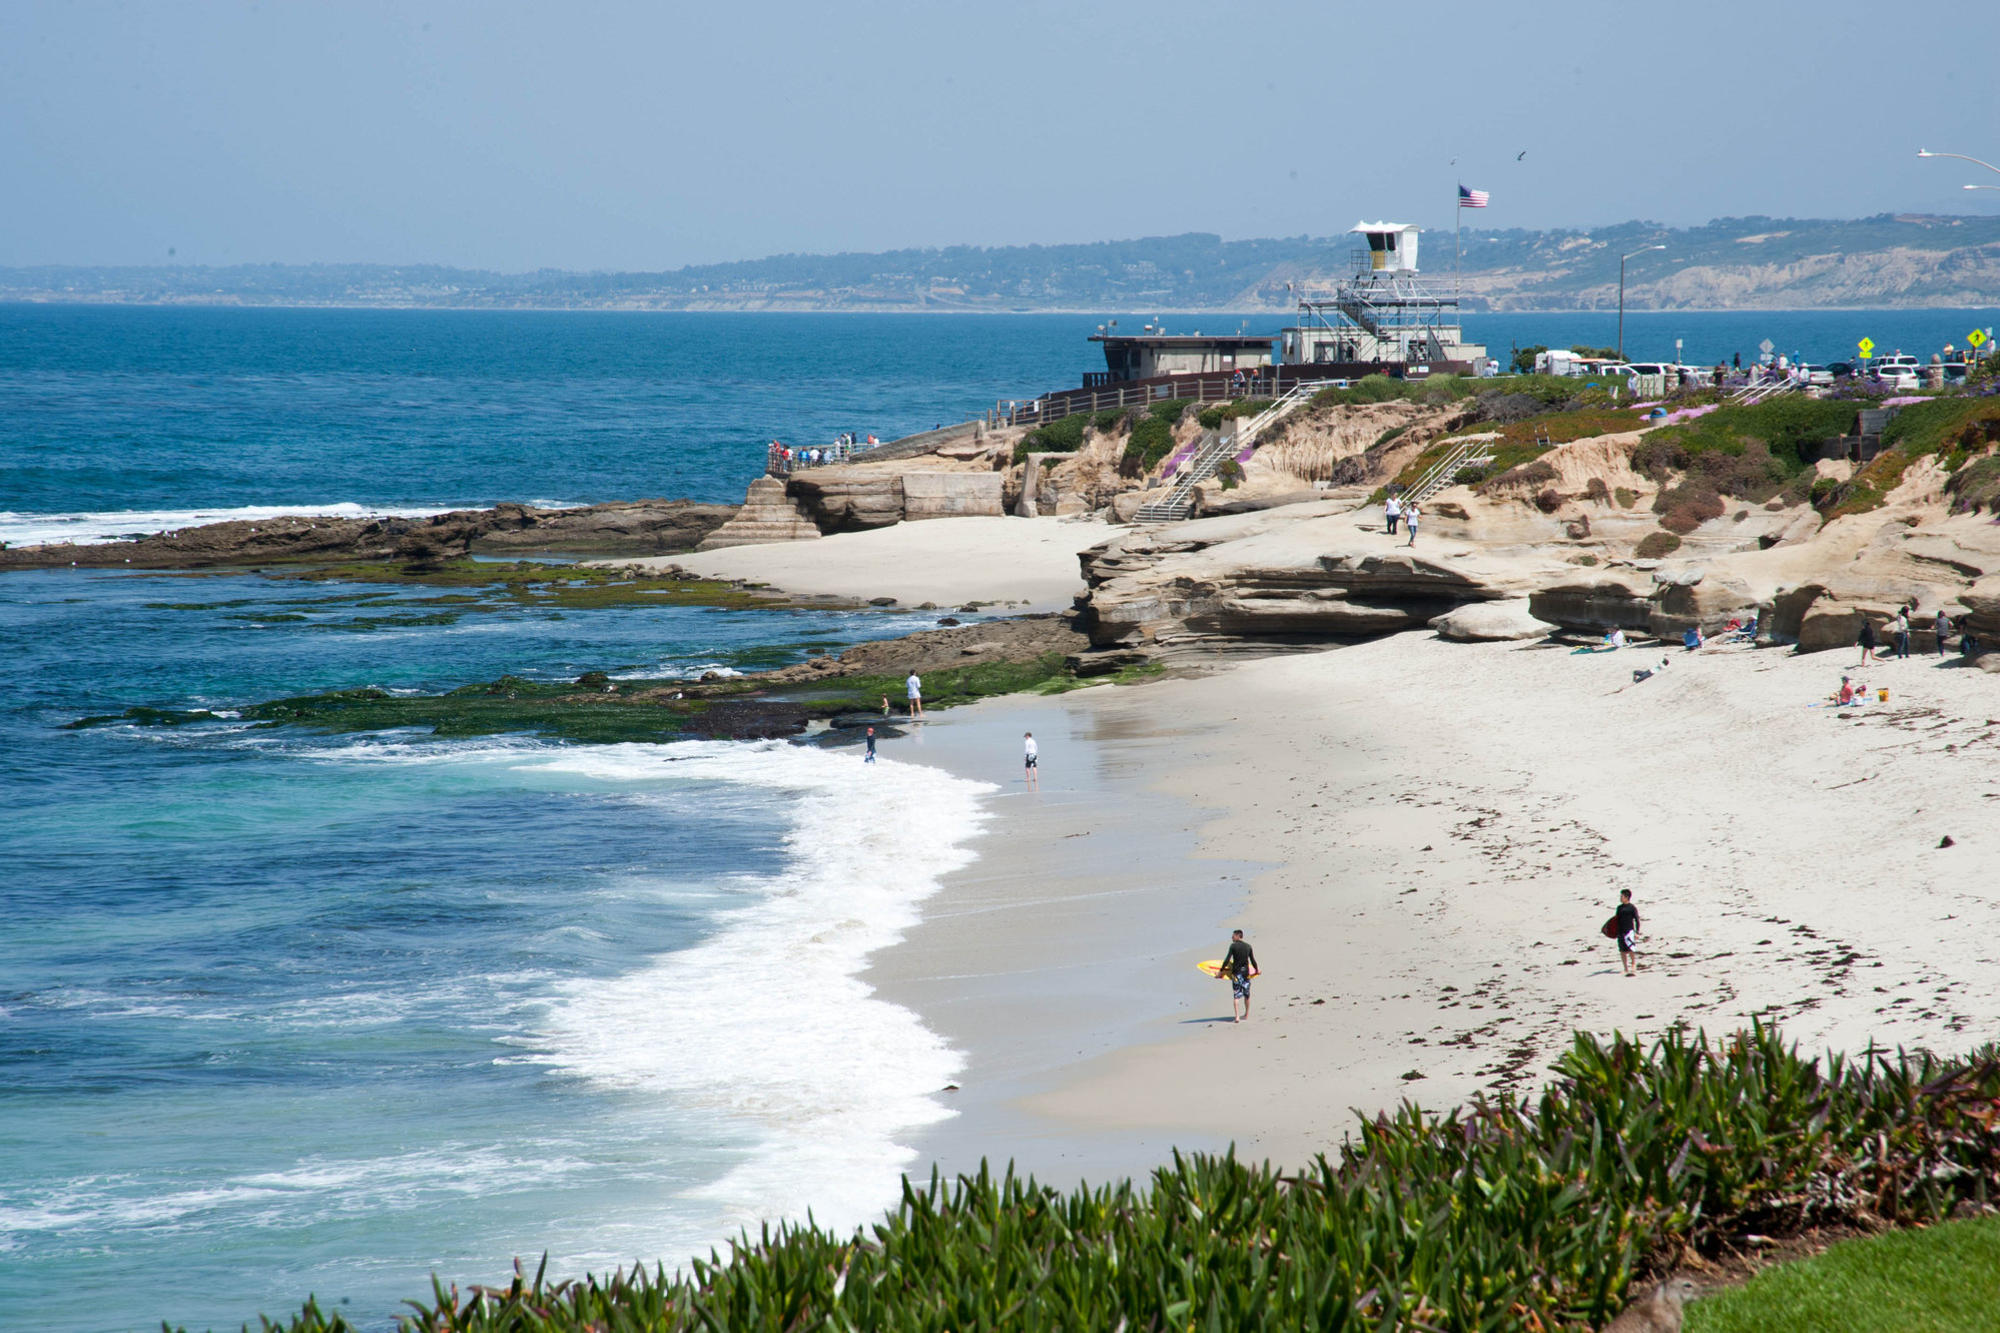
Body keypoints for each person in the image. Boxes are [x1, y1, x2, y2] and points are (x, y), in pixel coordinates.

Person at [1219, 929, 1260, 1023]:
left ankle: (1237, 1017)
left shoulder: (1233, 946)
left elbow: (1226, 960)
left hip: (1236, 974)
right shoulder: (1248, 947)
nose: (1232, 937)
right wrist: (1257, 970)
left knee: (1236, 996)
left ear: (1238, 936)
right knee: (1247, 995)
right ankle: (1246, 1014)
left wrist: (1221, 971)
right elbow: (1253, 961)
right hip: (1246, 974)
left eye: (1233, 936)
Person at [1613, 889, 1641, 977]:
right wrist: (1614, 932)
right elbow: (1615, 920)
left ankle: (1633, 964)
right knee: (1622, 950)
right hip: (1620, 931)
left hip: (1629, 931)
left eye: (1622, 896)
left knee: (1631, 949)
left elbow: (1637, 920)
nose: (1620, 898)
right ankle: (1625, 968)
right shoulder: (1619, 908)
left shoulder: (1632, 908)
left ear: (1627, 897)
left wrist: (1636, 932)